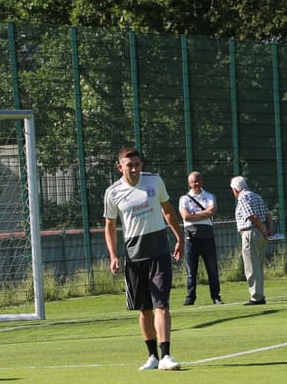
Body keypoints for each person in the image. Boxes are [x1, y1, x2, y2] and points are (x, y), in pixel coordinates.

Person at [102, 147, 184, 371]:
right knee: (143, 308)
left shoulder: (155, 182)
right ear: (120, 167)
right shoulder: (113, 192)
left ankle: (166, 355)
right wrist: (112, 255)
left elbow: (168, 210)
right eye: (130, 165)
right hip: (134, 254)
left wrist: (179, 237)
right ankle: (152, 356)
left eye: (138, 164)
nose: (135, 169)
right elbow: (110, 225)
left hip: (158, 249)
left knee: (162, 304)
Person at [178, 171, 222, 306]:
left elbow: (211, 211)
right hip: (191, 238)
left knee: (212, 269)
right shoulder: (184, 199)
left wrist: (194, 214)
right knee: (191, 271)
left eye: (198, 181)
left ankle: (216, 297)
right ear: (189, 183)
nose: (196, 184)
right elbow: (185, 217)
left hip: (207, 237)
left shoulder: (209, 196)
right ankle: (190, 298)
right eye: (193, 182)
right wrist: (203, 214)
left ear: (202, 181)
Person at [230, 175, 273, 305]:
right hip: (261, 233)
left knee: (251, 266)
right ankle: (260, 294)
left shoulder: (242, 197)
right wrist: (268, 230)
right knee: (258, 266)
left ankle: (256, 296)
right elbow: (268, 215)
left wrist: (263, 229)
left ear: (235, 189)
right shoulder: (256, 196)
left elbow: (251, 216)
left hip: (250, 232)